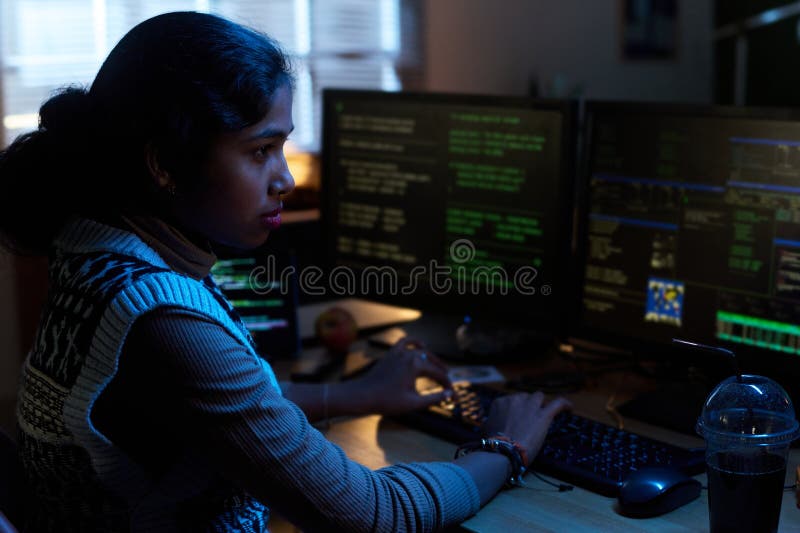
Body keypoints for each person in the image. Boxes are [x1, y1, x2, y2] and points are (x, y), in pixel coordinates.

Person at [0, 11, 570, 532]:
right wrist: (504, 447)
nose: (285, 179)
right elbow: (373, 514)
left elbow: (214, 408)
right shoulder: (158, 315)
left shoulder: (92, 251)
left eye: (283, 147)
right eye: (259, 151)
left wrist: (354, 393)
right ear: (164, 164)